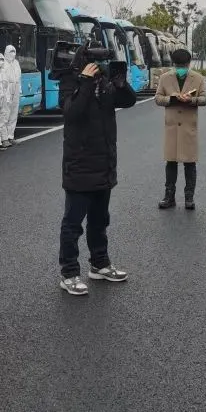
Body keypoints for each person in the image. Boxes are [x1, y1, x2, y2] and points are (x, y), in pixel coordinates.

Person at [58, 42, 137, 295]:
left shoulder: (104, 81)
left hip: (104, 163)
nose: (98, 63)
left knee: (100, 220)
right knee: (73, 224)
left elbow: (128, 101)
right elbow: (72, 112)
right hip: (79, 164)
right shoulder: (70, 80)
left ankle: (99, 264)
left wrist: (121, 83)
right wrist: (84, 81)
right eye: (94, 58)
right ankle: (69, 273)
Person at [154, 48, 206, 210]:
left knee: (190, 163)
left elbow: (205, 99)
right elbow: (158, 98)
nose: (180, 68)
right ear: (174, 64)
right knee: (170, 163)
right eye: (178, 66)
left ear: (189, 64)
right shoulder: (165, 78)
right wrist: (171, 99)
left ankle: (189, 198)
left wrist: (191, 100)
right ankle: (169, 197)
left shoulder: (198, 78)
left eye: (183, 65)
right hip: (172, 127)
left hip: (188, 127)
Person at [3, 45, 21, 146]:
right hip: (7, 89)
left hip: (16, 88)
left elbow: (19, 77)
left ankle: (10, 136)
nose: (13, 54)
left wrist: (20, 90)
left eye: (14, 51)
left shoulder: (16, 63)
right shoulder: (3, 63)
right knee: (5, 114)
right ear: (6, 52)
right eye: (10, 52)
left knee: (13, 114)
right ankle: (4, 138)